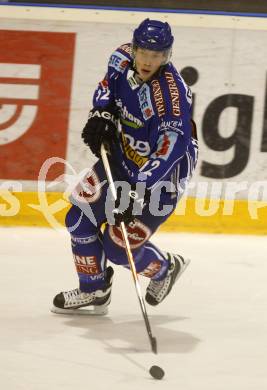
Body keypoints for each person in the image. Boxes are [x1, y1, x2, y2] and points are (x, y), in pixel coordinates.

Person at [52, 18, 198, 314]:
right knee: (78, 219)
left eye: (156, 55)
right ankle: (94, 289)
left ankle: (166, 269)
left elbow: (172, 150)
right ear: (134, 47)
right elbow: (106, 86)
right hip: (121, 159)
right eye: (143, 52)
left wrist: (136, 191)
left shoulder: (171, 96)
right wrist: (101, 113)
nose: (148, 60)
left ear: (167, 56)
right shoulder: (121, 57)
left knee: (119, 247)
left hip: (162, 179)